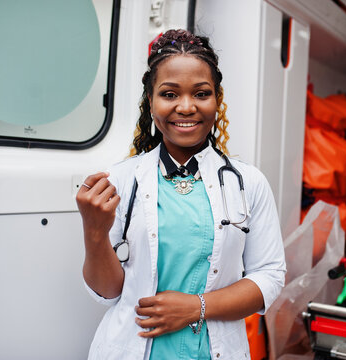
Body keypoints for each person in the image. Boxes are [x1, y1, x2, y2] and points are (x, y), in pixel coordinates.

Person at [76, 29, 286, 360]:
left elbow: (269, 276)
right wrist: (94, 230)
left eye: (201, 94)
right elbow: (106, 292)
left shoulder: (249, 182)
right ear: (150, 100)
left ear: (217, 99)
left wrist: (196, 307)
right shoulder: (119, 179)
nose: (186, 107)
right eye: (170, 94)